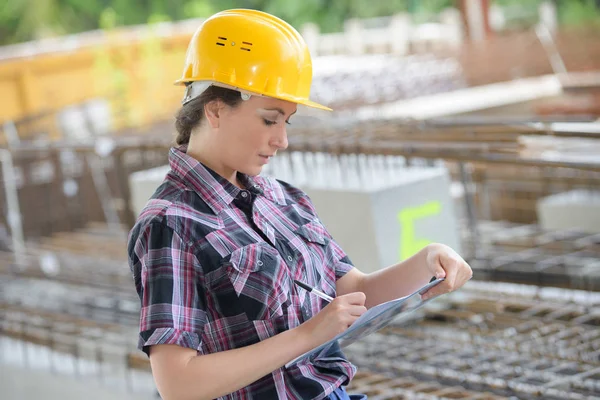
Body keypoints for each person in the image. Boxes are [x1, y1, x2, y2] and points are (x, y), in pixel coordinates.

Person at [127, 8, 473, 400]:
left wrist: (427, 261)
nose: (282, 141)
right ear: (216, 109)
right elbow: (178, 384)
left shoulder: (281, 198)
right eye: (270, 120)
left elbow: (353, 292)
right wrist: (309, 334)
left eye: (286, 122)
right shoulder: (171, 225)